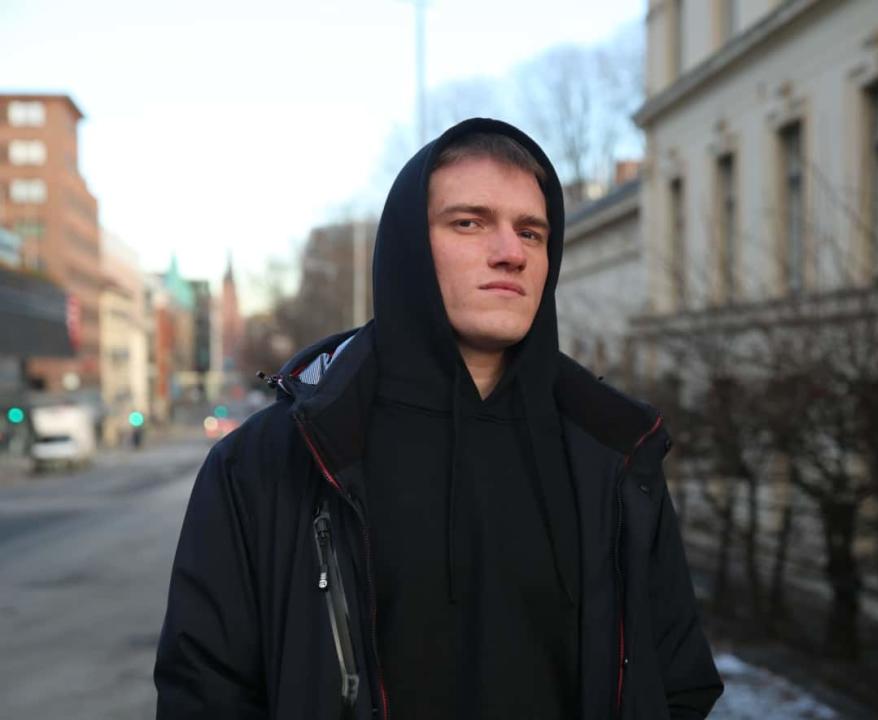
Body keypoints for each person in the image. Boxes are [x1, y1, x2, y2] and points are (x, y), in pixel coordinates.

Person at [155, 118, 723, 719]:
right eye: (469, 222)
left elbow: (678, 680)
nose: (511, 253)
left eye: (531, 232)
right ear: (406, 249)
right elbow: (205, 695)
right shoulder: (273, 463)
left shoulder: (614, 451)